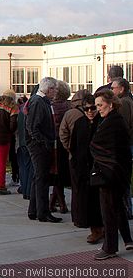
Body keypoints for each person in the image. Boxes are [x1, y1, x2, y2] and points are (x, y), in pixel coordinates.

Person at [90, 89, 133, 260]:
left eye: (100, 105)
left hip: (109, 174)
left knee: (108, 210)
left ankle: (110, 247)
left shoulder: (112, 122)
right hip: (118, 172)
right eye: (96, 106)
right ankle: (128, 239)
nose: (97, 109)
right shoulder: (113, 120)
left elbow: (97, 145)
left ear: (111, 104)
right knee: (118, 207)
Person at [67, 94, 104, 244]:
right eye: (86, 108)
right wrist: (75, 164)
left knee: (99, 200)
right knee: (87, 200)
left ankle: (102, 228)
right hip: (83, 168)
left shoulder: (102, 123)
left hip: (99, 168)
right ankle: (94, 228)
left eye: (93, 108)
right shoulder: (80, 123)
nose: (89, 111)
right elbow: (73, 145)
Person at [26, 77, 62, 223]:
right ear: (49, 89)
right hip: (39, 146)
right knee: (42, 178)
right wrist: (45, 142)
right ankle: (43, 212)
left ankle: (34, 210)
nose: (55, 92)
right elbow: (32, 127)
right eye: (54, 89)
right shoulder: (38, 102)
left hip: (40, 144)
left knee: (38, 178)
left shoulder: (41, 101)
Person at [111, 77, 133, 219]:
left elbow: (123, 126)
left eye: (113, 88)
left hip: (125, 145)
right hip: (128, 144)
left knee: (123, 180)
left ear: (121, 89)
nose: (112, 90)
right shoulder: (128, 100)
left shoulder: (123, 103)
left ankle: (126, 211)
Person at [49, 81, 71, 213]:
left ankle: (60, 203)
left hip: (55, 142)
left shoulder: (51, 107)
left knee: (57, 174)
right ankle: (55, 202)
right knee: (61, 173)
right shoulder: (69, 106)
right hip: (65, 142)